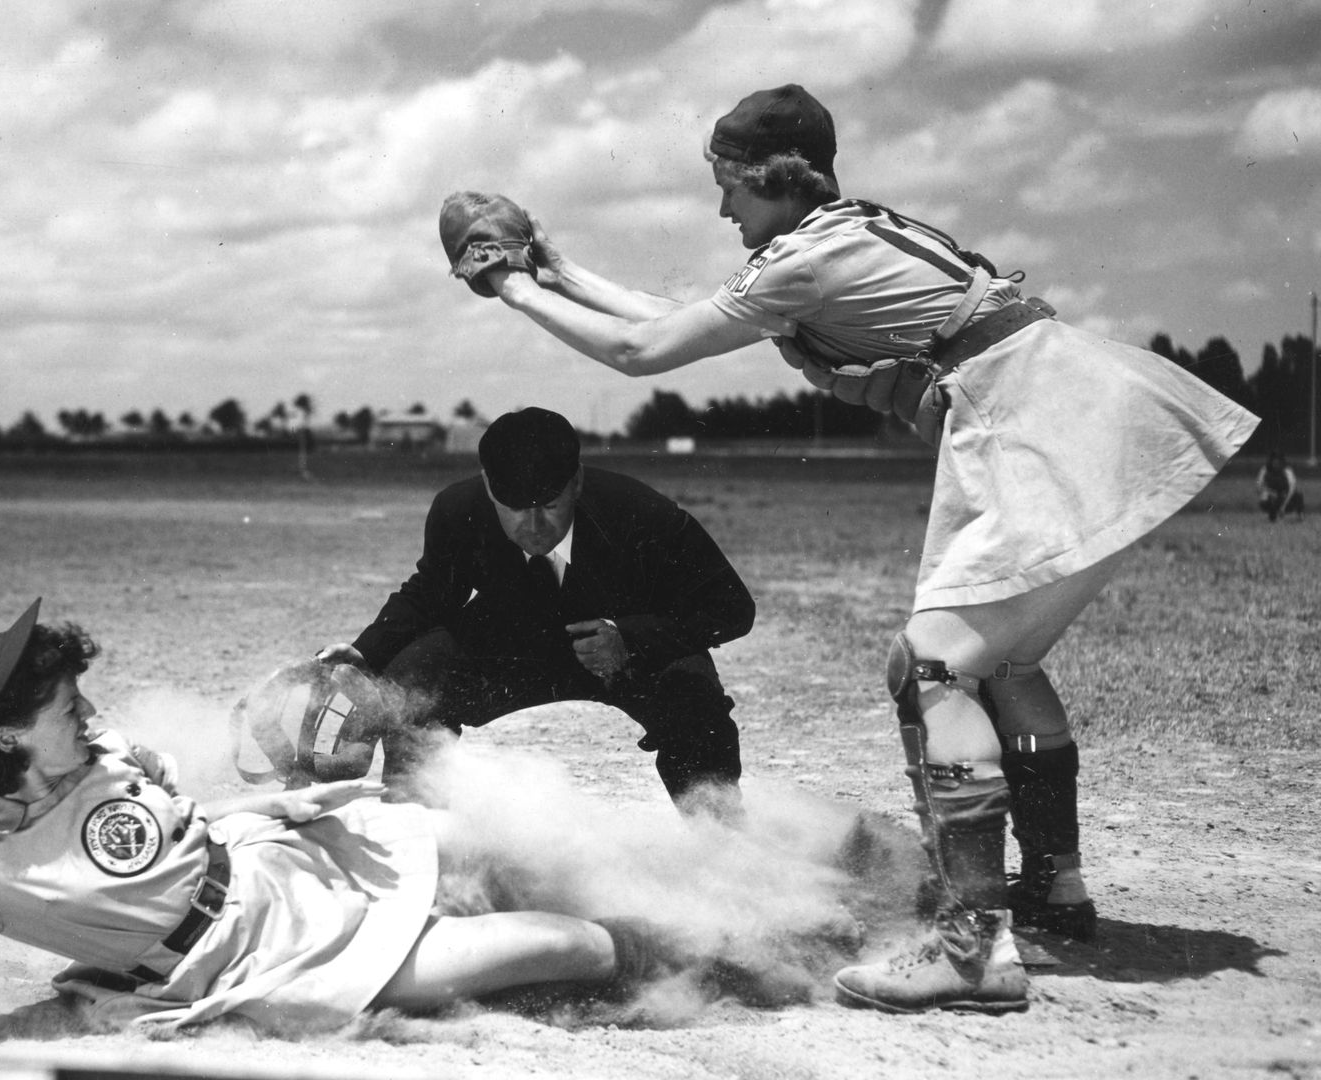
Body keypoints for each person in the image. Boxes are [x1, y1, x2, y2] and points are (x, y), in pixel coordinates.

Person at [455, 85, 1260, 1013]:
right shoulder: (843, 235)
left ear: (777, 178)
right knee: (1000, 659)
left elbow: (643, 350)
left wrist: (511, 287)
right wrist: (558, 267)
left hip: (1029, 418)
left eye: (731, 190)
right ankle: (1055, 885)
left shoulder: (805, 258)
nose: (723, 210)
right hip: (1082, 400)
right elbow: (670, 316)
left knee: (931, 667)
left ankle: (969, 947)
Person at [0, 597, 730, 1055]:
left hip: (294, 857)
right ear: (6, 736)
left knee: (508, 846)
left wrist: (286, 799)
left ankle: (730, 940)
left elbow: (195, 824)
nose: (83, 705)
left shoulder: (98, 757)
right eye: (56, 699)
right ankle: (661, 962)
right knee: (565, 947)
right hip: (264, 958)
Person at [316, 406, 754, 811]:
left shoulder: (641, 514)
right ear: (488, 484)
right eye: (514, 509)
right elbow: (430, 591)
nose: (533, 527)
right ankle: (416, 829)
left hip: (624, 649)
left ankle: (718, 838)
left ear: (576, 482)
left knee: (692, 693)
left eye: (549, 506)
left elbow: (732, 607)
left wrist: (631, 638)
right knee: (415, 675)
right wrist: (364, 653)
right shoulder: (458, 510)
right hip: (513, 643)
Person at [1257, 452, 1301, 522]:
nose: (1276, 465)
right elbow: (1259, 486)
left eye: (1278, 463)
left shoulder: (1287, 470)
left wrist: (1284, 506)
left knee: (1298, 495)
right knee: (1266, 497)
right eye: (1274, 462)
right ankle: (1272, 516)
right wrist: (1270, 492)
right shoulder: (1265, 469)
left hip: (1285, 496)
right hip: (1272, 495)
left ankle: (1299, 516)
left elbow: (1292, 489)